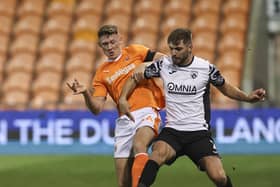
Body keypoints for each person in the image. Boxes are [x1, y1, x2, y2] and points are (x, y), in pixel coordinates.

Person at [118, 28, 266, 187]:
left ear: (190, 47)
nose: (173, 53)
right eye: (171, 49)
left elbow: (226, 87)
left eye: (178, 49)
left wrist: (248, 98)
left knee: (219, 176)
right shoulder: (163, 64)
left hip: (198, 133)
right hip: (173, 131)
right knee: (157, 154)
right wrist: (122, 99)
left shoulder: (205, 68)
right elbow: (136, 75)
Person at [67, 25, 165, 187]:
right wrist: (86, 93)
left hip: (147, 110)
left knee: (139, 145)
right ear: (100, 46)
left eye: (113, 42)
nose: (110, 47)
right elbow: (97, 109)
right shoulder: (101, 73)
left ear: (120, 39)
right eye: (105, 44)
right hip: (124, 122)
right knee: (122, 183)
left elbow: (164, 60)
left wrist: (146, 68)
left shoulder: (136, 51)